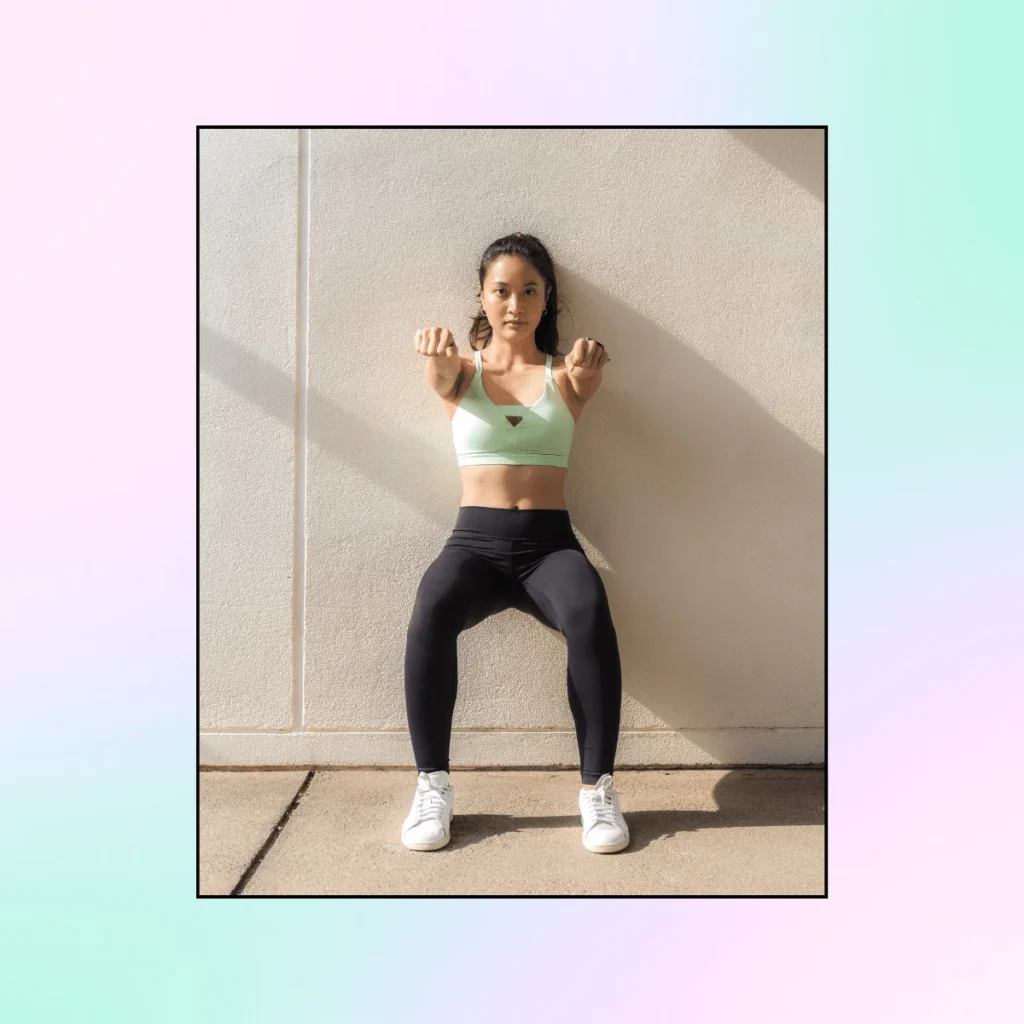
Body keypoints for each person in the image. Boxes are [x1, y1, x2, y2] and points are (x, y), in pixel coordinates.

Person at [402, 233, 628, 855]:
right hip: (473, 544)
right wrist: (434, 353)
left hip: (549, 547)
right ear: (482, 295)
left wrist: (586, 373)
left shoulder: (567, 377)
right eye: (502, 290)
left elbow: (583, 381)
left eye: (530, 290)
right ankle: (432, 787)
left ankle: (597, 792)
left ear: (547, 298)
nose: (515, 303)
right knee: (431, 607)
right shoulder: (458, 373)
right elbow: (441, 372)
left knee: (587, 611)